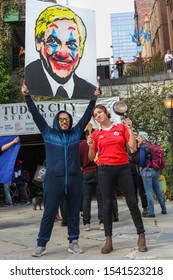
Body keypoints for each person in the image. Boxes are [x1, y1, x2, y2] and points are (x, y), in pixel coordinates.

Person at [21, 83, 100, 257]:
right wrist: (27, 96)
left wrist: (94, 98)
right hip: (53, 180)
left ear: (70, 122)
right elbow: (35, 115)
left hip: (74, 179)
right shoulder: (48, 133)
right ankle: (41, 244)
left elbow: (87, 115)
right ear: (57, 121)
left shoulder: (75, 133)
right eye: (61, 119)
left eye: (67, 120)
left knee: (73, 213)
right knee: (49, 213)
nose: (64, 122)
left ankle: (74, 242)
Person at [87, 105, 147, 254]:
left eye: (100, 112)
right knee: (107, 205)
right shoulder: (95, 134)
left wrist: (130, 129)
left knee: (132, 202)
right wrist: (90, 146)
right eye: (95, 115)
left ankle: (141, 236)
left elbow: (132, 147)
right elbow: (90, 157)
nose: (98, 115)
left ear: (106, 113)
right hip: (104, 170)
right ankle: (108, 240)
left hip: (123, 168)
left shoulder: (120, 127)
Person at [25, 4, 96, 99]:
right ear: (38, 43)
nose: (63, 53)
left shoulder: (90, 91)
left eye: (72, 45)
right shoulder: (27, 82)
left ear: (81, 50)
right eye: (53, 42)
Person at [137, 131, 167, 218]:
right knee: (157, 189)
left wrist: (140, 166)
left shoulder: (143, 148)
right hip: (155, 170)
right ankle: (164, 209)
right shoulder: (152, 145)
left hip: (147, 171)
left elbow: (142, 160)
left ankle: (151, 212)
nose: (137, 139)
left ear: (143, 138)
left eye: (139, 138)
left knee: (148, 191)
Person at [80, 129, 104, 231]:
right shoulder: (98, 143)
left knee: (86, 199)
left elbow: (78, 160)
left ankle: (87, 223)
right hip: (98, 171)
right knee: (100, 198)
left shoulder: (80, 145)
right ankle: (102, 222)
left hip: (86, 173)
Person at [128, 147, 148, 217]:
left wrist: (133, 154)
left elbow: (137, 160)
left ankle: (145, 208)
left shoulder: (139, 151)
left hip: (138, 174)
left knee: (142, 191)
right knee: (133, 192)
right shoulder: (127, 151)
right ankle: (135, 209)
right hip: (130, 174)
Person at [0, 137, 20, 207]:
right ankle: (9, 202)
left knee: (6, 190)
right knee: (6, 190)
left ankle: (9, 202)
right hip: (6, 178)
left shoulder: (8, 169)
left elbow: (2, 148)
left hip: (6, 178)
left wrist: (13, 142)